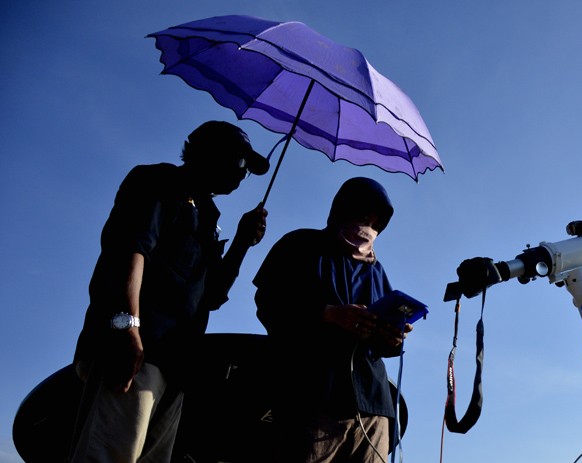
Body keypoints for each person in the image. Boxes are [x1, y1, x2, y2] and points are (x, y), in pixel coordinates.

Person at [70, 120, 270, 462]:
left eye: (247, 170)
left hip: (176, 364)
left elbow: (213, 295)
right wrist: (127, 328)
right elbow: (129, 253)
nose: (241, 175)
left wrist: (241, 242)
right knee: (108, 455)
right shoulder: (159, 182)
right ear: (207, 153)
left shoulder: (208, 216)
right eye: (238, 163)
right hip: (136, 351)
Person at [253, 177, 413, 463]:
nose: (368, 226)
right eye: (363, 216)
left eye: (376, 223)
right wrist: (326, 313)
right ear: (342, 210)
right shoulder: (300, 244)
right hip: (312, 400)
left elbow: (382, 345)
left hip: (373, 406)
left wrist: (393, 336)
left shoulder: (377, 271)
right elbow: (268, 304)